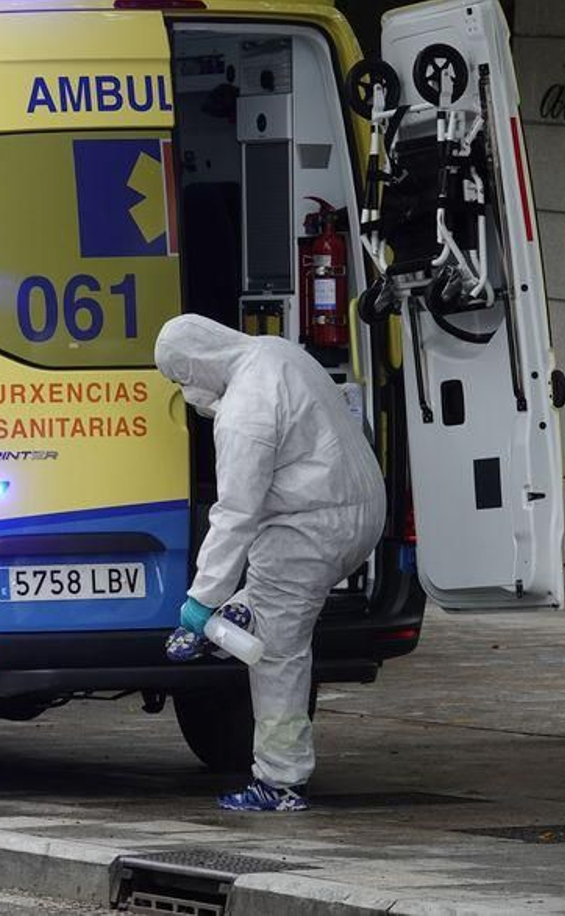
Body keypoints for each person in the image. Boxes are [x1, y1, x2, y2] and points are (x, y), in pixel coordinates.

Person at [155, 314, 385, 813]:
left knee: (278, 654)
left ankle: (281, 781)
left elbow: (236, 514)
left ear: (196, 365)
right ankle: (245, 611)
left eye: (180, 379)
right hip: (360, 510)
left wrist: (200, 603)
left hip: (311, 527)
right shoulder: (276, 351)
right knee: (272, 595)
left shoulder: (244, 412)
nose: (186, 392)